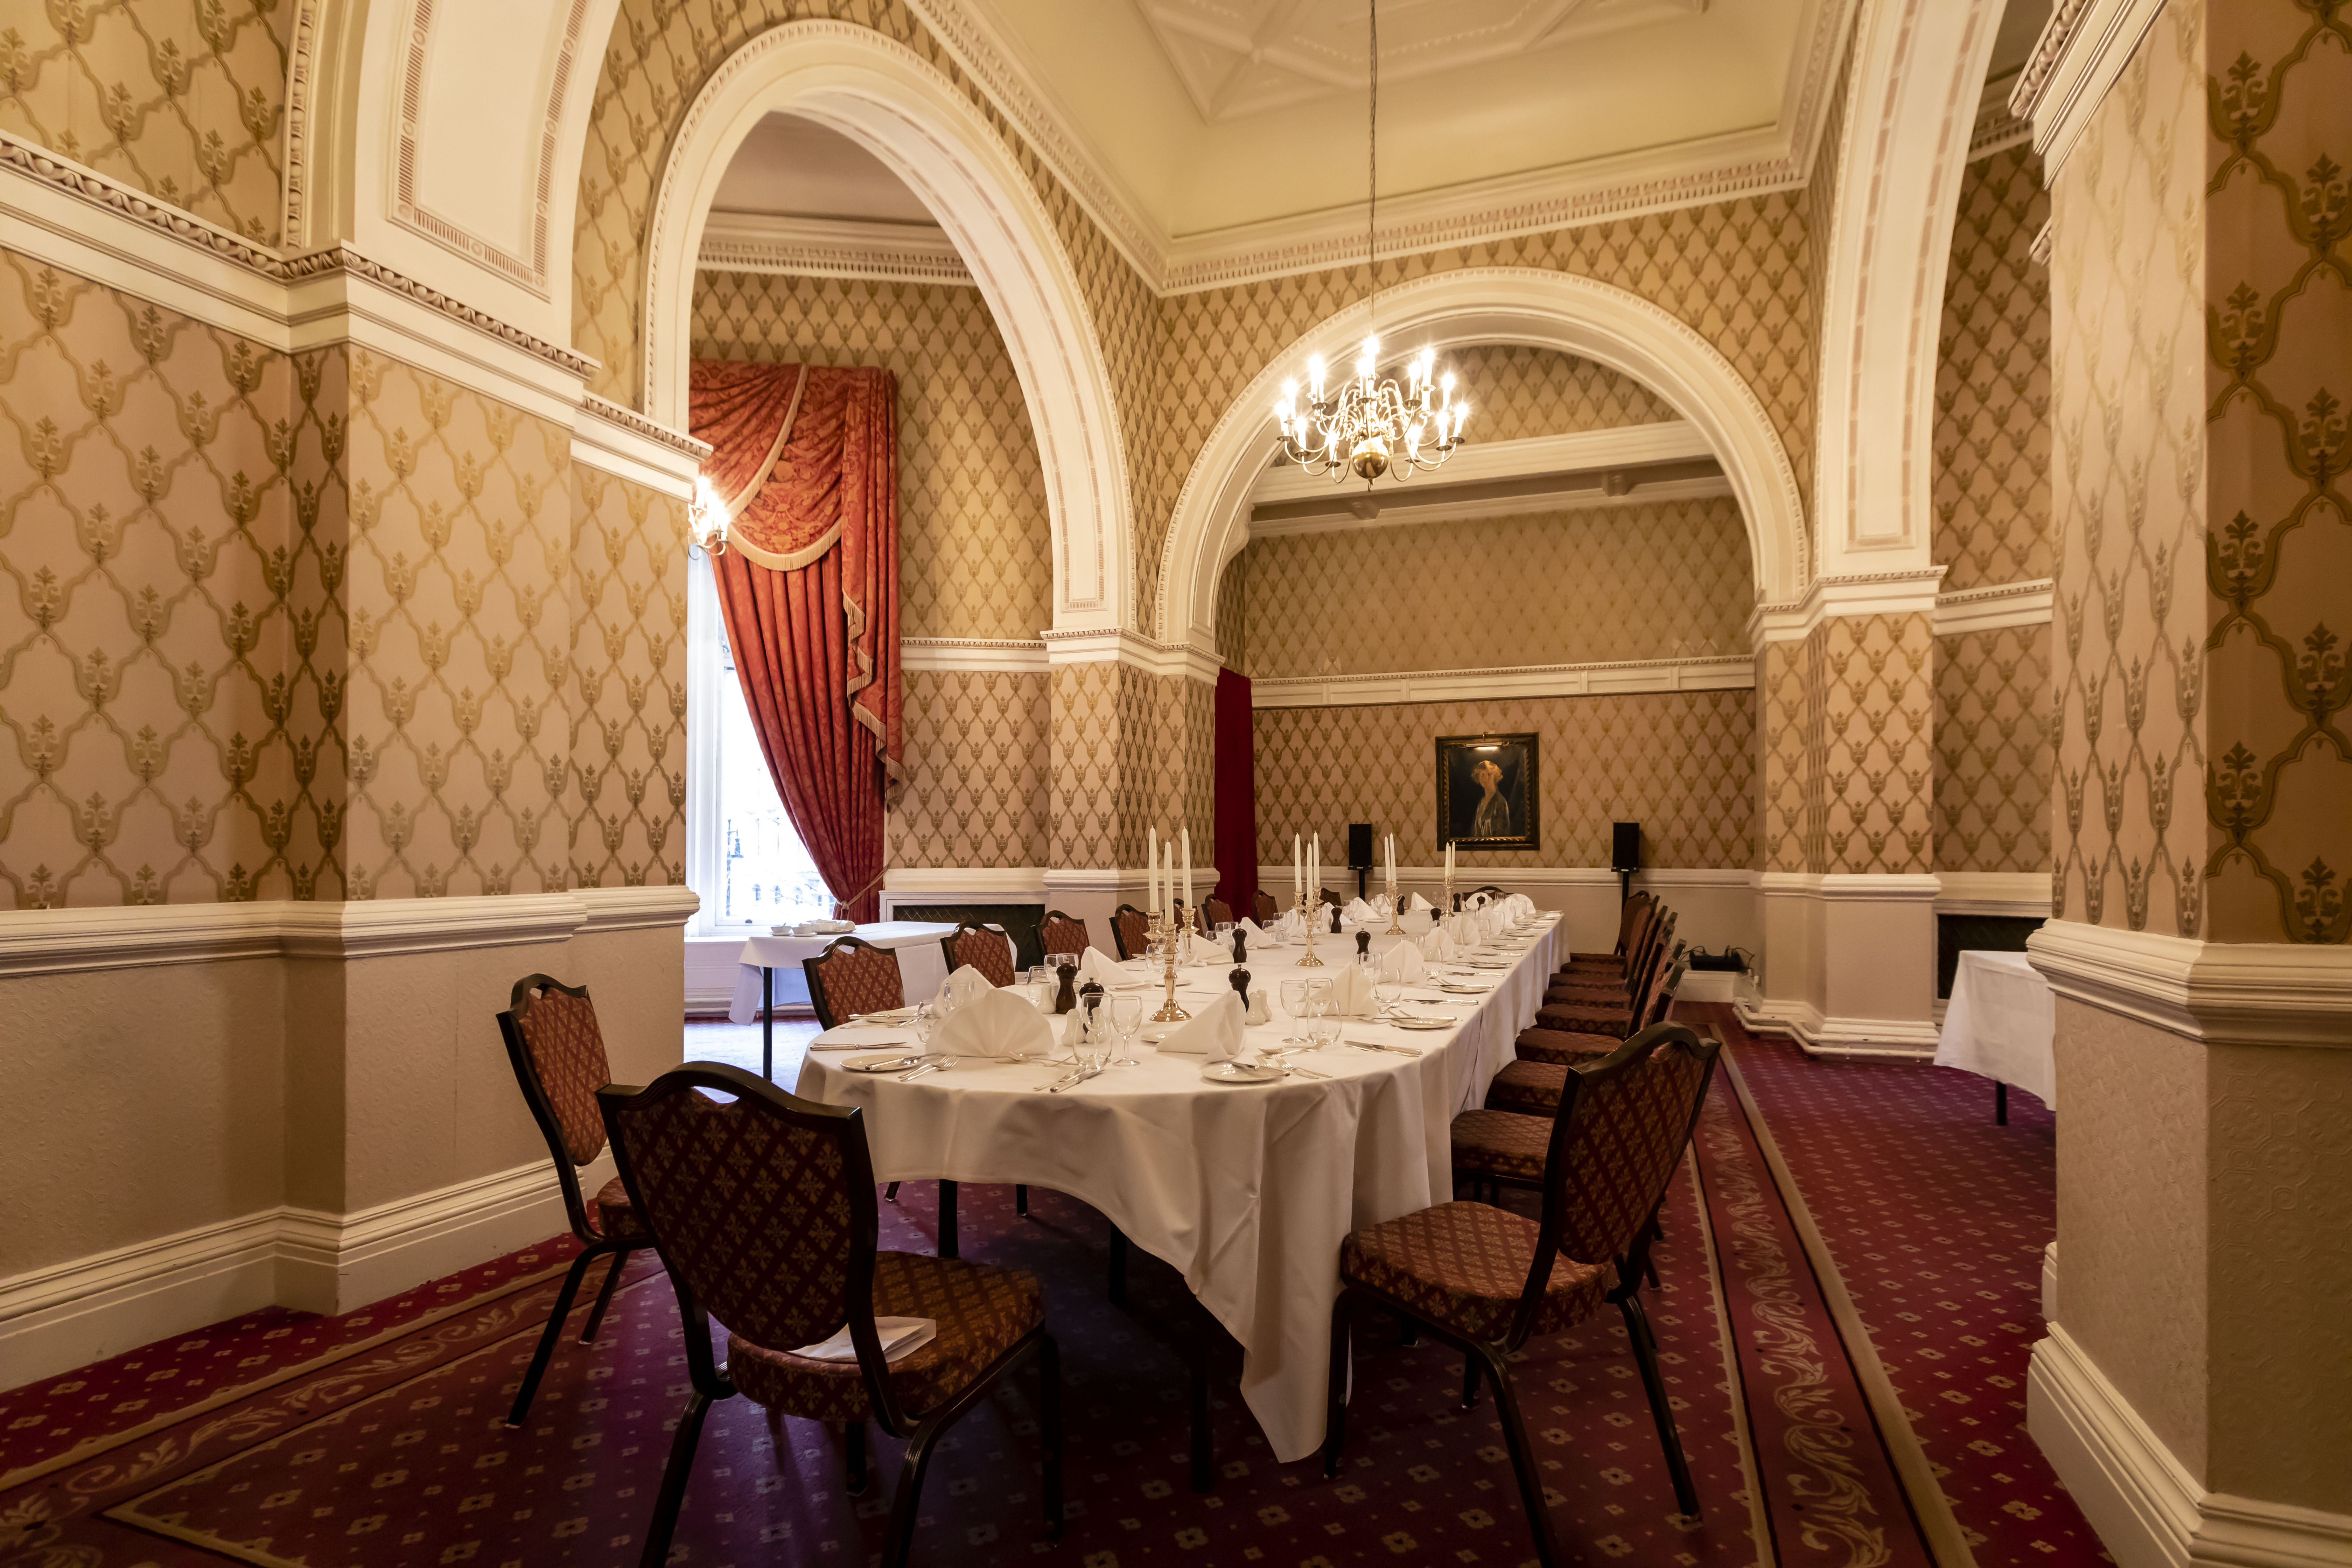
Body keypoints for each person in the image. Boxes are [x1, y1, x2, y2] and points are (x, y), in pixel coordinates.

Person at [1469, 755, 1512, 839]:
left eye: (1489, 774)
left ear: (1495, 777)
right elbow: (1475, 833)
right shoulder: (1481, 803)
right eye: (1483, 775)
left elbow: (1502, 835)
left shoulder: (1500, 802)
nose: (1486, 778)